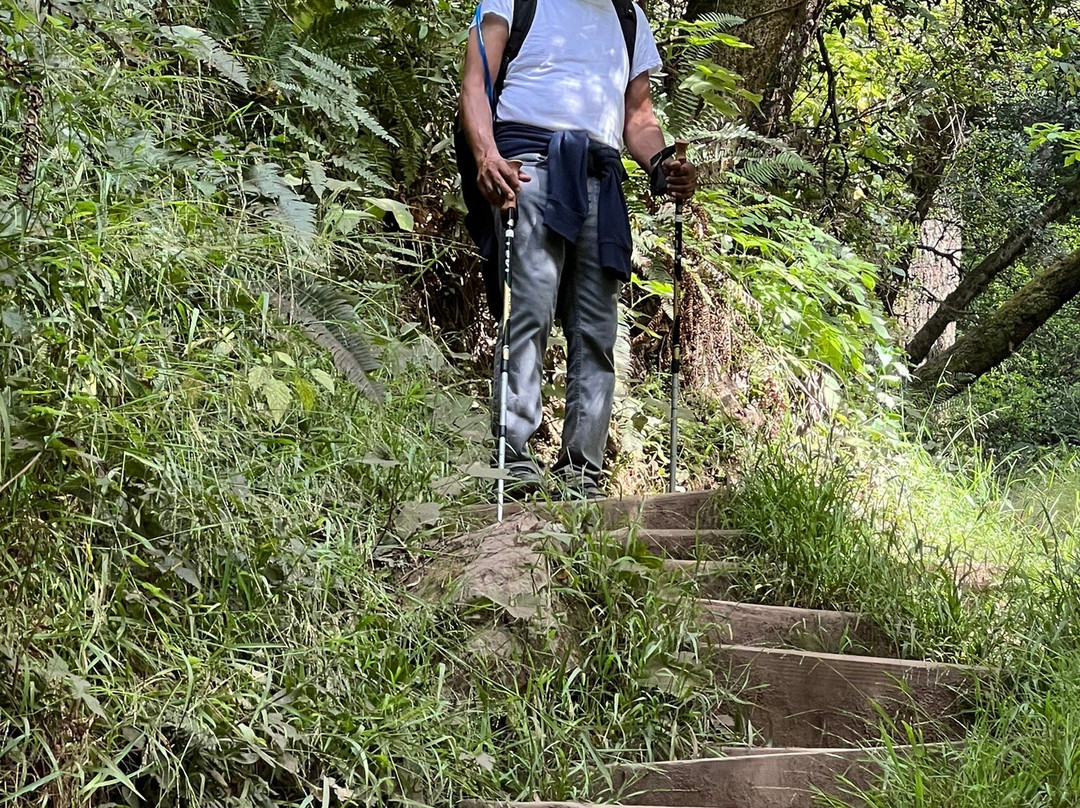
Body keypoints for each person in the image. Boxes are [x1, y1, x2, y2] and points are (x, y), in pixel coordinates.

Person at [459, 0, 697, 500]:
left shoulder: (629, 16)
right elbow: (477, 80)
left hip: (600, 177)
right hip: (527, 166)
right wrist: (487, 154)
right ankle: (512, 463)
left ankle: (582, 477)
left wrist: (660, 164)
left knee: (596, 330)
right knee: (528, 312)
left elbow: (637, 116)